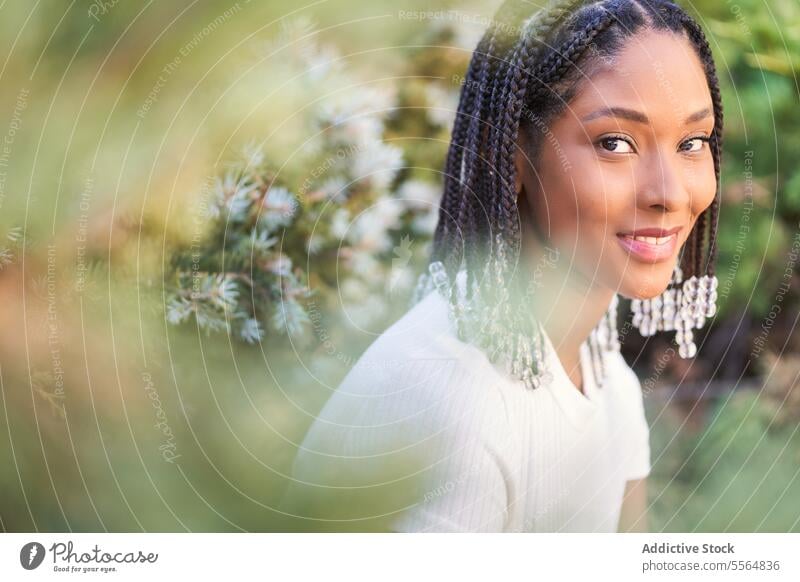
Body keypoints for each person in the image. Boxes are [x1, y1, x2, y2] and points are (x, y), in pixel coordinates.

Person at [283, 0, 723, 533]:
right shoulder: (458, 403)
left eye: (692, 143)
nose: (669, 193)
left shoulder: (608, 383)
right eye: (614, 143)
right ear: (513, 156)